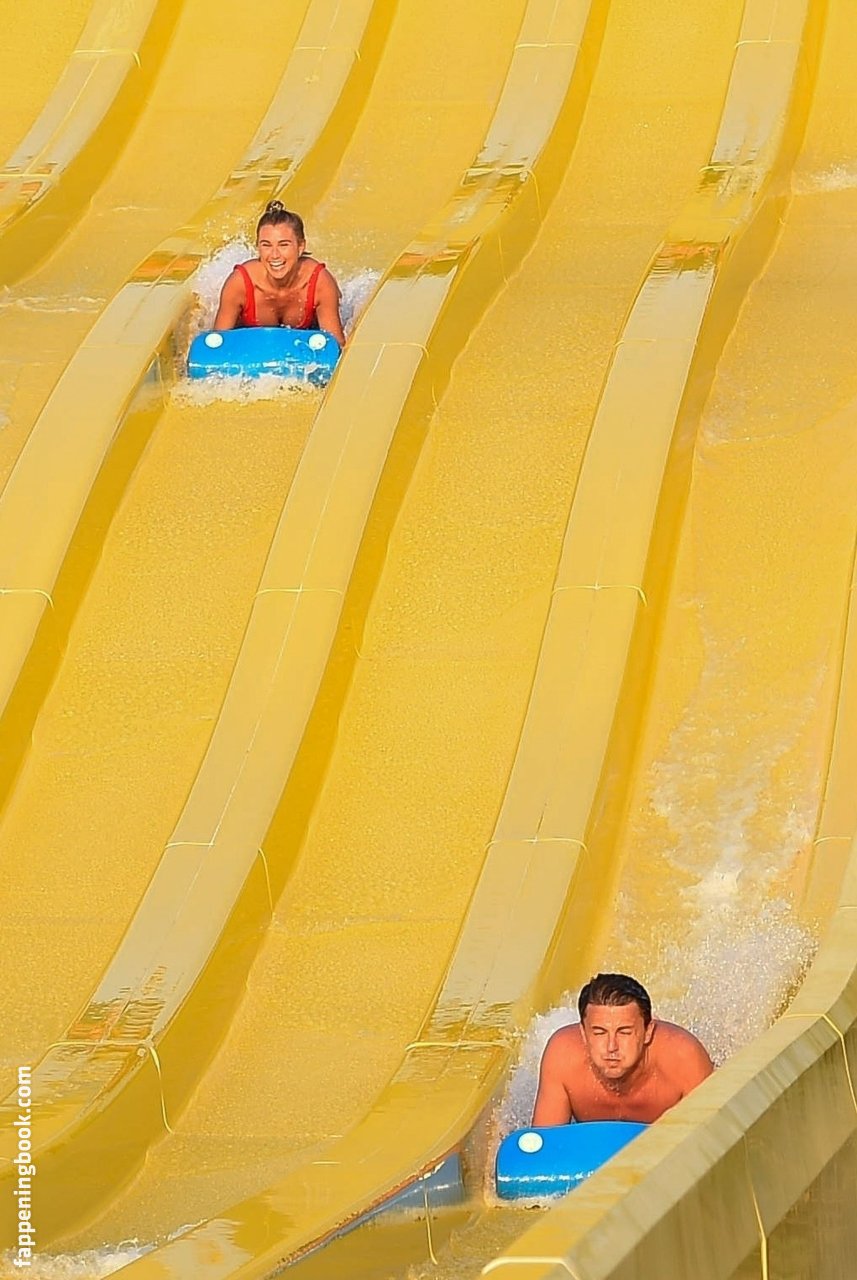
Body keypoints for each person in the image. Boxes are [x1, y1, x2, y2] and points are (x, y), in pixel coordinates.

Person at [531, 973, 713, 1126]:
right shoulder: (562, 1055)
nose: (612, 1047)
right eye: (600, 1033)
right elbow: (543, 1147)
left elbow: (710, 1143)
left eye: (624, 1032)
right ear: (583, 1033)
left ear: (648, 1032)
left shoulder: (683, 1057)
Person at [213, 200, 346, 347]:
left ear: (300, 247)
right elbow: (217, 345)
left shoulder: (320, 282)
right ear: (258, 247)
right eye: (266, 245)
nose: (275, 255)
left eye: (283, 245)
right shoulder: (239, 284)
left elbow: (336, 346)